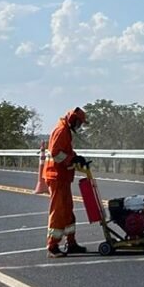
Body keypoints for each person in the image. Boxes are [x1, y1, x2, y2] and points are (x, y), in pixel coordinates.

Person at [43, 107, 89, 256]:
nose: (79, 126)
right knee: (58, 211)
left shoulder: (65, 130)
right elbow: (56, 153)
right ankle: (52, 246)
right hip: (56, 176)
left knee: (68, 210)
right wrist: (72, 159)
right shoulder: (61, 130)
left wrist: (76, 157)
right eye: (79, 123)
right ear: (72, 120)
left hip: (63, 177)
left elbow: (66, 151)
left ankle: (71, 242)